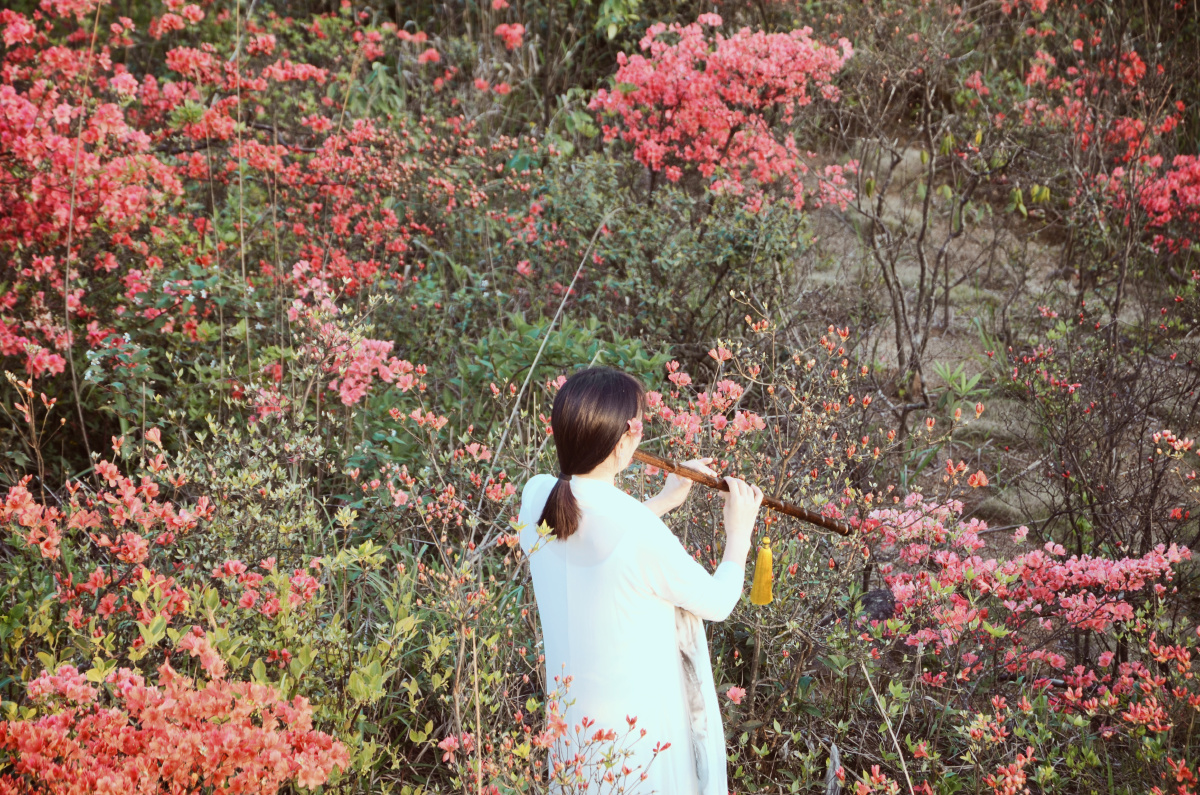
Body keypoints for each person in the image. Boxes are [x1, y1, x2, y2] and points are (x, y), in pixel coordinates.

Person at [517, 366, 764, 795]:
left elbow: (600, 542)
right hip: (639, 739)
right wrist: (738, 537)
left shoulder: (537, 495)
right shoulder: (638, 533)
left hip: (572, 729)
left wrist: (663, 501)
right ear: (621, 442)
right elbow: (719, 601)